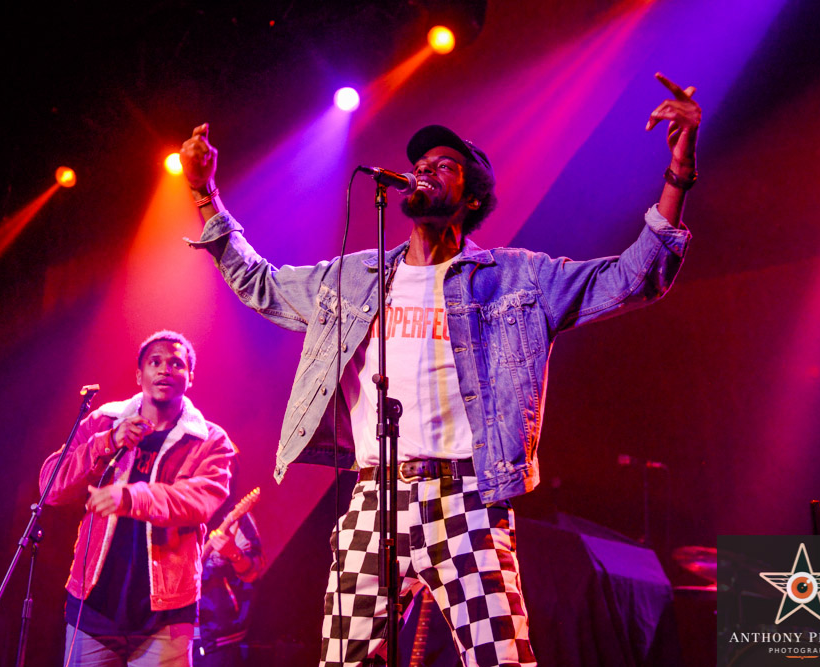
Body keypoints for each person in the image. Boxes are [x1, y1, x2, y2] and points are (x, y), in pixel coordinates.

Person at [178, 73, 700, 667]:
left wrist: (678, 174)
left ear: (472, 198)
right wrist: (205, 195)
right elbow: (263, 285)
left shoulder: (515, 278)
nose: (423, 168)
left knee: (501, 658)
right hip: (374, 497)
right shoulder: (354, 277)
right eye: (419, 162)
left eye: (443, 165)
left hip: (468, 498)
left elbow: (633, 277)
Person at [39, 330, 236, 666]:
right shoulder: (105, 422)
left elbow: (198, 502)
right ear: (139, 375)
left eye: (176, 363)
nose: (165, 370)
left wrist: (132, 497)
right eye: (155, 362)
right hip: (94, 607)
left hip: (166, 615)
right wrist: (107, 441)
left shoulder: (209, 441)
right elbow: (50, 488)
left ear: (190, 377)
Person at [194, 493, 264, 667]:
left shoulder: (235, 517)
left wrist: (234, 554)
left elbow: (254, 571)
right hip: (168, 631)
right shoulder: (174, 510)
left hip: (218, 637)